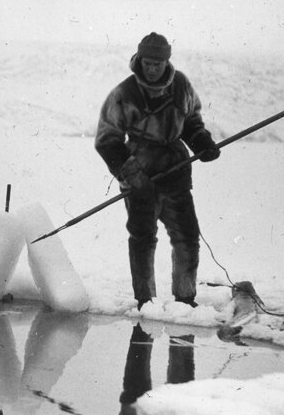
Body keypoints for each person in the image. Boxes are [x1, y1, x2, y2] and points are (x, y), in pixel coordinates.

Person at [94, 32, 220, 309]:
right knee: (142, 238)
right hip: (139, 174)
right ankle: (145, 300)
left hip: (175, 170)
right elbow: (107, 139)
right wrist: (132, 174)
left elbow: (191, 122)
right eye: (147, 63)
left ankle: (185, 300)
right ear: (140, 59)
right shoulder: (123, 94)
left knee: (187, 236)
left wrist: (202, 142)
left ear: (166, 62)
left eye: (157, 64)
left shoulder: (181, 86)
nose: (152, 69)